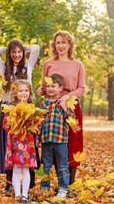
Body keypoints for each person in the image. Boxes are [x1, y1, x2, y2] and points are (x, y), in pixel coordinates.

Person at [0, 38, 39, 193]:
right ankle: (9, 182)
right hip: (10, 112)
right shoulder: (4, 67)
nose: (17, 54)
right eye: (13, 52)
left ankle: (29, 181)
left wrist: (21, 47)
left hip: (26, 111)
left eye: (19, 52)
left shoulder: (28, 66)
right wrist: (9, 47)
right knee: (9, 147)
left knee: (27, 146)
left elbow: (35, 48)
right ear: (9, 54)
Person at [37, 30, 86, 185]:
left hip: (70, 107)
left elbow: (82, 88)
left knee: (72, 145)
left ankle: (67, 184)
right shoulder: (48, 64)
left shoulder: (78, 65)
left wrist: (67, 96)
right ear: (54, 45)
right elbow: (45, 88)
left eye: (64, 42)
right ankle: (50, 182)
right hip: (52, 109)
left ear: (70, 44)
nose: (60, 45)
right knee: (53, 142)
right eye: (58, 42)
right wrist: (41, 91)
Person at [36, 74, 75, 198]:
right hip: (46, 140)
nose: (50, 89)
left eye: (53, 86)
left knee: (62, 166)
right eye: (48, 86)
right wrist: (37, 137)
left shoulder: (64, 102)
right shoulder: (44, 104)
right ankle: (45, 188)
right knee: (46, 166)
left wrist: (64, 108)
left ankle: (63, 188)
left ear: (60, 88)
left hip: (61, 140)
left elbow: (71, 120)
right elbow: (39, 122)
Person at [3, 79, 38, 203]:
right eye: (20, 91)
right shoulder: (11, 108)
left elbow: (36, 126)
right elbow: (5, 126)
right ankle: (17, 194)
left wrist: (30, 126)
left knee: (26, 169)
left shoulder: (32, 108)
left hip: (27, 143)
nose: (24, 93)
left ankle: (25, 195)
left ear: (30, 92)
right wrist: (15, 123)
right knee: (16, 169)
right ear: (15, 94)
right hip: (15, 142)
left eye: (26, 90)